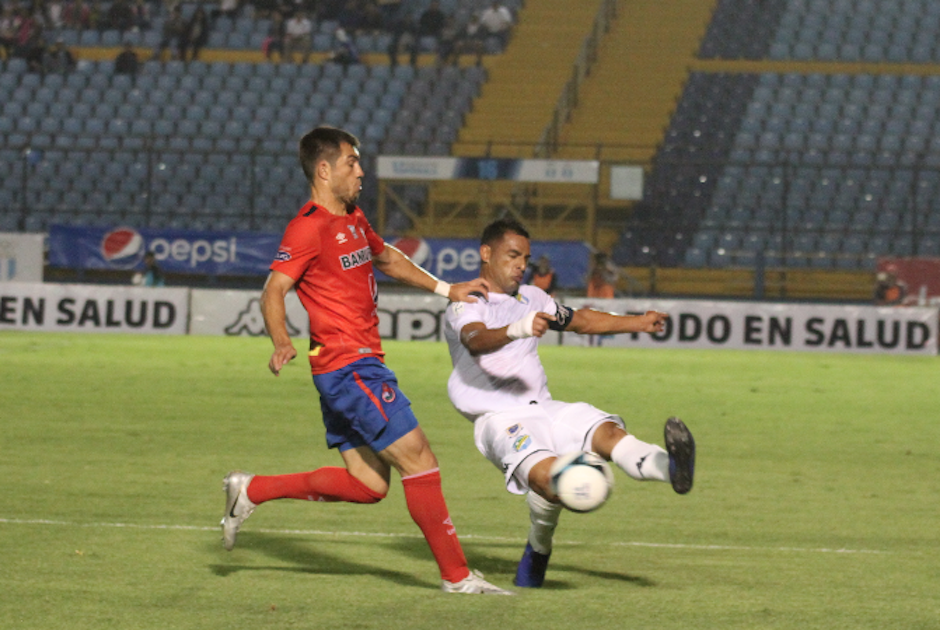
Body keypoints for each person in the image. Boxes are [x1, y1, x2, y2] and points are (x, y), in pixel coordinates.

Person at [220, 126, 512, 595]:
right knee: (419, 458)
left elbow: (387, 258)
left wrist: (446, 288)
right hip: (347, 366)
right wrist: (281, 340)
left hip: (352, 367)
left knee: (369, 485)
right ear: (324, 170)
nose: (361, 170)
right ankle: (458, 577)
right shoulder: (308, 226)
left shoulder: (352, 217)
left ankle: (250, 490)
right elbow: (274, 288)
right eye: (351, 162)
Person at [442, 218, 695, 588]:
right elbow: (476, 340)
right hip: (499, 419)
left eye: (524, 258)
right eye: (512, 255)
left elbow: (581, 321)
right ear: (486, 253)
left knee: (608, 433)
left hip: (544, 407)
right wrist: (519, 328)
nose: (520, 265)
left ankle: (671, 468)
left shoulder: (533, 298)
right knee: (549, 479)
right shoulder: (467, 302)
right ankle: (538, 549)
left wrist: (639, 321)